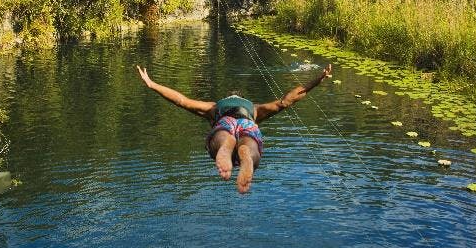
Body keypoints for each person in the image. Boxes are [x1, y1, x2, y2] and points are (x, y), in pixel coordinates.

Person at [136, 63, 333, 193]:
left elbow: (181, 101)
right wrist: (316, 80)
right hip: (248, 123)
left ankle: (226, 143)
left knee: (221, 136)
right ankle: (245, 152)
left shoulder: (213, 108)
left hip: (224, 122)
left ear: (228, 98)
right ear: (242, 99)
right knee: (250, 144)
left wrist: (153, 84)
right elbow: (287, 101)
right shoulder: (255, 109)